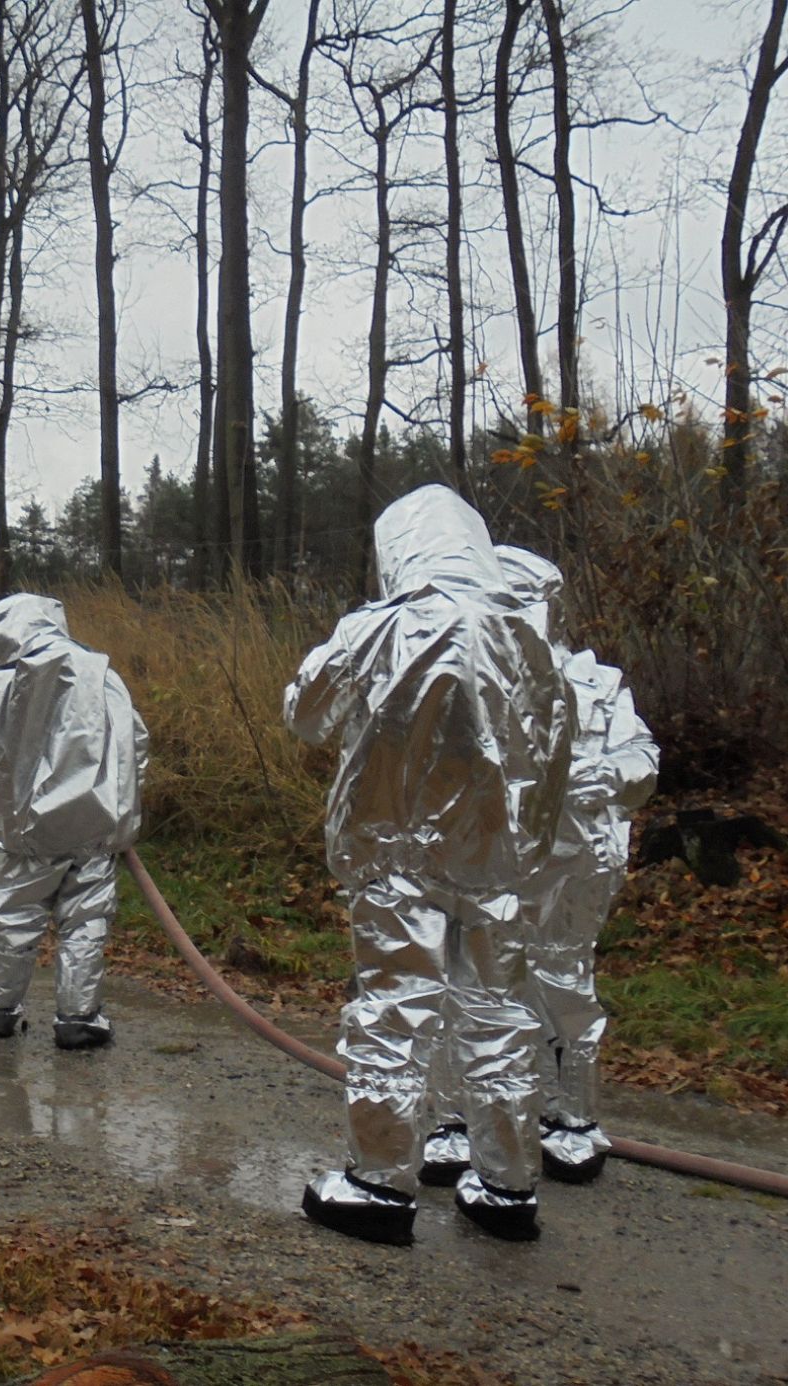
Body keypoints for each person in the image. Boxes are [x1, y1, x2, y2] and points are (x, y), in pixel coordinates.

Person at [283, 485, 571, 1244]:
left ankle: (379, 1186)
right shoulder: (529, 638)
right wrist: (526, 852)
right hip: (499, 869)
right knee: (499, 1016)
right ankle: (508, 1187)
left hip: (397, 857)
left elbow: (305, 716)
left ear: (399, 549)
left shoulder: (378, 628)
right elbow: (556, 759)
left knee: (395, 1012)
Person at [421, 545, 657, 1186]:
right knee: (459, 984)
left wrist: (602, 773)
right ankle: (455, 1120)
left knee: (560, 985)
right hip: (478, 858)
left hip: (571, 863)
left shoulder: (597, 685)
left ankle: (570, 1118)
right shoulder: (467, 674)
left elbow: (641, 759)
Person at [0, 593, 148, 1050]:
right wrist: (122, 813)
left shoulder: (1, 682)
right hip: (95, 829)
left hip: (29, 831)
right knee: (86, 921)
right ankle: (78, 1019)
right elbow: (135, 741)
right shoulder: (104, 675)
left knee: (15, 917)